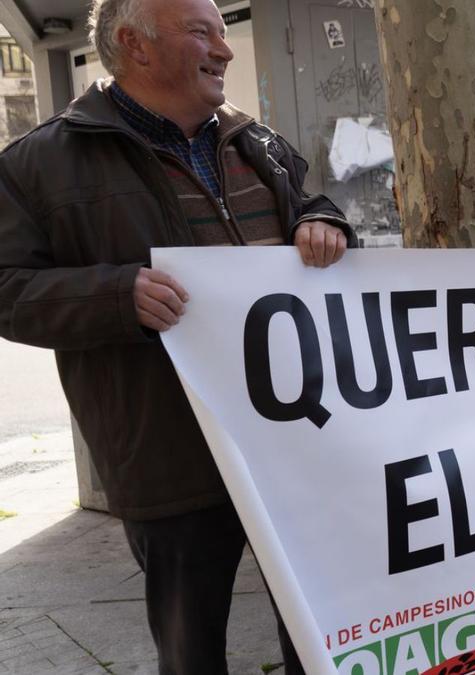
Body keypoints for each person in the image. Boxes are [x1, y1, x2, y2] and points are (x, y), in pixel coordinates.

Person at [0, 0, 355, 672]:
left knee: (324, 635)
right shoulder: (38, 164)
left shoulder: (260, 142)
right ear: (136, 45)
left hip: (294, 448)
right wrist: (114, 295)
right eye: (203, 33)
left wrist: (324, 220)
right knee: (192, 651)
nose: (223, 49)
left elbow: (313, 204)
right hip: (171, 460)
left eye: (224, 32)